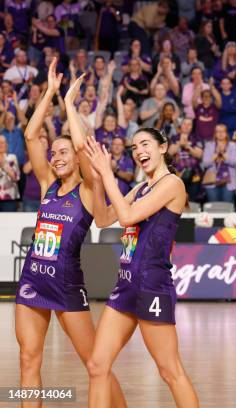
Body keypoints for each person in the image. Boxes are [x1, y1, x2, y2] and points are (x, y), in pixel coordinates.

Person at [14, 60, 127, 407]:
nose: (56, 157)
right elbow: (31, 135)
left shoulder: (90, 191)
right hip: (33, 278)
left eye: (63, 152)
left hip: (66, 285)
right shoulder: (48, 184)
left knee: (96, 363)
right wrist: (48, 93)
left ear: (77, 160)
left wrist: (69, 107)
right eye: (54, 153)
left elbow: (81, 148)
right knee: (28, 361)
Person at [84, 125, 199, 407]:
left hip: (152, 285)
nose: (139, 152)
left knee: (170, 371)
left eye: (145, 144)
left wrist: (108, 173)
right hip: (124, 284)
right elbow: (102, 219)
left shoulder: (173, 184)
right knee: (97, 366)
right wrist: (99, 179)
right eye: (134, 148)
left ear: (163, 147)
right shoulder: (140, 188)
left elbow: (127, 216)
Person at [201, 123, 236, 203]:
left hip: (229, 182)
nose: (220, 133)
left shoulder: (232, 145)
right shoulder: (209, 145)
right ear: (215, 134)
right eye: (218, 131)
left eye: (223, 131)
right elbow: (205, 163)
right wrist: (214, 157)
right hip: (212, 181)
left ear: (226, 133)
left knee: (227, 207)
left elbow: (234, 162)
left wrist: (225, 156)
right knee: (213, 207)